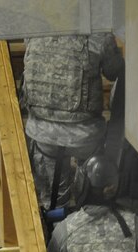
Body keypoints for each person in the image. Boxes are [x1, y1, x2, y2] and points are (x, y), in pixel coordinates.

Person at [22, 33, 124, 209]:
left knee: (53, 203)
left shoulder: (34, 27)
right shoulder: (97, 31)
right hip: (84, 137)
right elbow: (115, 70)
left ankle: (57, 227)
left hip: (43, 134)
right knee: (92, 196)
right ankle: (86, 218)